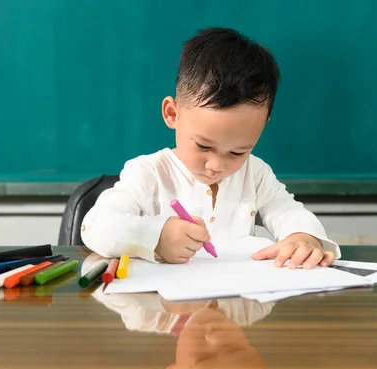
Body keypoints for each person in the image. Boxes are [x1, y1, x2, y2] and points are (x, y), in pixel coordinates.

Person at [81, 27, 340, 269]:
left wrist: (303, 237)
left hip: (233, 308)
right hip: (160, 310)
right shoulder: (149, 172)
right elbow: (95, 226)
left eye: (237, 152)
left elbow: (288, 211)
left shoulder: (256, 173)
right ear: (172, 114)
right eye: (204, 145)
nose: (217, 165)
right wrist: (155, 237)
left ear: (262, 127)